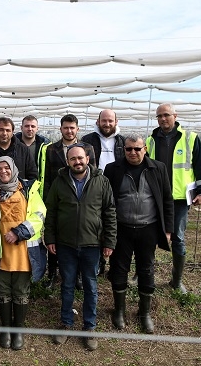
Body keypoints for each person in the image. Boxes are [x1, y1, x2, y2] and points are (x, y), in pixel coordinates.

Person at [44, 144, 116, 351]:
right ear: (68, 162)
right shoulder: (59, 182)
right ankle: (66, 324)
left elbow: (109, 212)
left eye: (80, 158)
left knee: (90, 286)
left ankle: (89, 327)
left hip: (92, 244)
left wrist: (109, 241)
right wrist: (50, 238)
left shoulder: (101, 181)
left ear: (88, 158)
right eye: (73, 159)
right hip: (65, 244)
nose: (77, 162)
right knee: (67, 285)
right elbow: (51, 213)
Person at [0, 156, 45, 350]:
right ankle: (5, 328)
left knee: (21, 290)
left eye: (7, 168)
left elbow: (39, 215)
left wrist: (18, 232)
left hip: (23, 250)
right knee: (2, 289)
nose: (3, 171)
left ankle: (18, 330)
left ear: (13, 169)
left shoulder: (29, 189)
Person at [104, 134, 174, 334]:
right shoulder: (113, 169)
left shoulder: (157, 168)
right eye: (128, 149)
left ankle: (145, 313)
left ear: (145, 149)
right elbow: (107, 202)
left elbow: (167, 200)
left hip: (148, 228)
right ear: (123, 150)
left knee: (146, 269)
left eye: (137, 149)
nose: (133, 153)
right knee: (118, 269)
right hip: (121, 228)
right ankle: (119, 311)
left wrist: (168, 229)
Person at [146, 103, 201, 294]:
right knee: (148, 236)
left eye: (166, 115)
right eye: (159, 116)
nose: (163, 119)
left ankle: (176, 280)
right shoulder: (151, 140)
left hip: (180, 198)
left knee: (178, 238)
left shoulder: (190, 138)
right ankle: (142, 274)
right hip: (155, 196)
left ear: (175, 116)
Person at [42, 114, 96, 289]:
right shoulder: (52, 149)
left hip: (81, 199)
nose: (69, 130)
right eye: (66, 127)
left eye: (72, 127)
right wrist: (49, 199)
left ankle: (78, 276)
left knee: (77, 237)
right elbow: (49, 176)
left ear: (77, 129)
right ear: (61, 129)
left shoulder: (87, 148)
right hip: (59, 198)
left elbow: (93, 173)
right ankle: (52, 274)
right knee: (55, 235)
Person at [81, 109, 125, 277]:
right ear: (98, 122)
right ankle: (97, 264)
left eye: (110, 121)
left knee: (113, 225)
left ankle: (114, 265)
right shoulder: (88, 140)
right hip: (94, 188)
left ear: (116, 122)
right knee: (95, 226)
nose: (107, 124)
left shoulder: (122, 141)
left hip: (117, 189)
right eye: (104, 120)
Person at [15, 115, 51, 283]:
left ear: (37, 128)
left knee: (36, 229)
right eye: (27, 126)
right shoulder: (14, 145)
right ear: (21, 127)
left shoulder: (45, 146)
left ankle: (36, 268)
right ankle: (19, 264)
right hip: (16, 193)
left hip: (37, 192)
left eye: (33, 126)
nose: (30, 129)